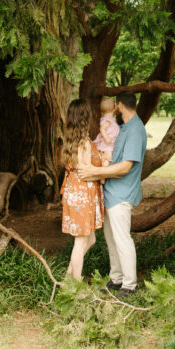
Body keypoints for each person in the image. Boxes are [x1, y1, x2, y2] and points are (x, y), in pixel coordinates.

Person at [78, 91, 147, 296]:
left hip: (122, 194)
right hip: (111, 192)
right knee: (111, 239)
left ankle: (129, 285)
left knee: (122, 238)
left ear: (118, 105)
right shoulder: (124, 127)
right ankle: (116, 279)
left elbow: (125, 167)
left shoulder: (135, 130)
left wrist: (94, 172)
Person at [61, 97, 104, 281]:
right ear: (85, 118)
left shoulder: (72, 140)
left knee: (90, 239)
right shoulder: (84, 143)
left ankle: (68, 276)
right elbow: (86, 172)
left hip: (74, 191)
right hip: (82, 194)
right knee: (81, 242)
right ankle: (75, 286)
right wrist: (104, 172)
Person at [93, 96, 120, 165]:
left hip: (109, 144)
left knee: (107, 159)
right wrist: (107, 138)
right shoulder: (108, 119)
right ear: (114, 108)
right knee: (108, 159)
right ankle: (104, 173)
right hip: (107, 145)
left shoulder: (108, 119)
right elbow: (102, 129)